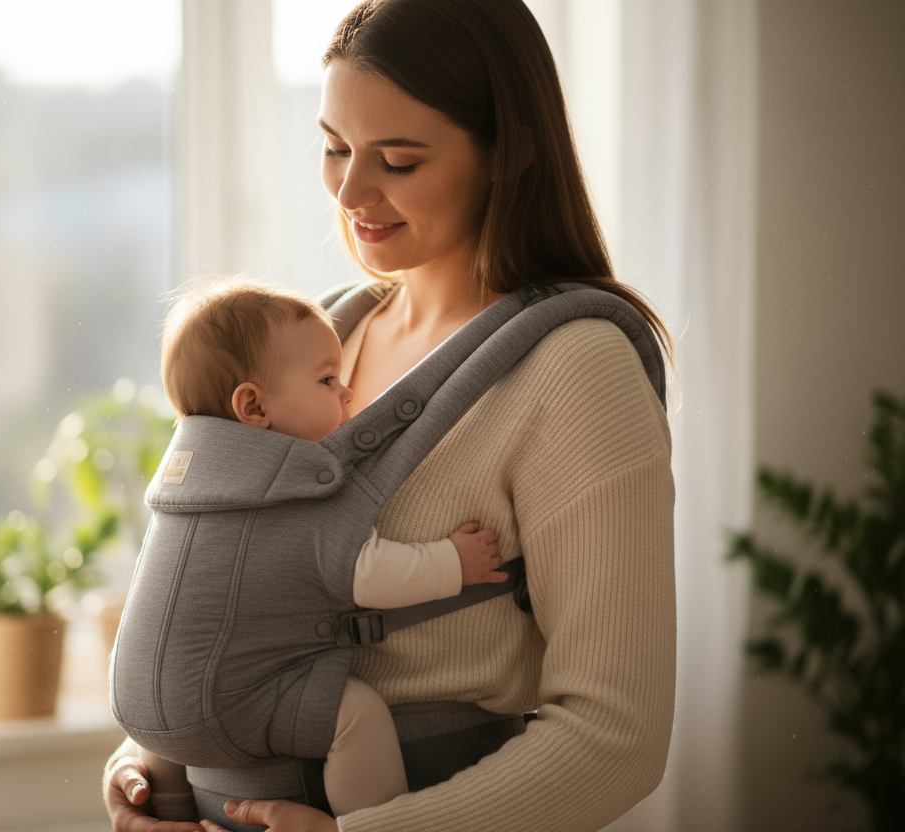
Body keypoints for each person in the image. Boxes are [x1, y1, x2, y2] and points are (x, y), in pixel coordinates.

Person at [105, 1, 676, 830]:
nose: (348, 189)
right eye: (334, 147)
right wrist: (150, 765)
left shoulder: (574, 370)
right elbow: (220, 585)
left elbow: (615, 737)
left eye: (398, 161)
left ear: (507, 152)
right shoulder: (315, 341)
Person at [122, 278, 506, 821]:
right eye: (329, 380)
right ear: (252, 406)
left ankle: (168, 814)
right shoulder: (292, 491)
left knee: (176, 735)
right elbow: (365, 572)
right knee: (357, 715)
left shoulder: (183, 489)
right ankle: (368, 821)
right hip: (235, 705)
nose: (348, 394)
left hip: (143, 706)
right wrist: (452, 561)